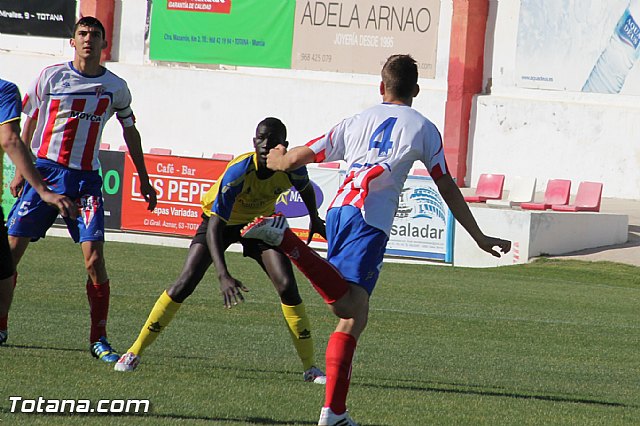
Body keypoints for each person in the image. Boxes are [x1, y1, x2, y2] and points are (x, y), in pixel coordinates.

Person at [241, 54, 512, 425]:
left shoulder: (356, 121)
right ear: (416, 90)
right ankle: (288, 242)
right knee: (348, 307)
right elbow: (445, 183)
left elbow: (295, 159)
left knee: (355, 315)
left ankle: (334, 412)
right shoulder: (423, 128)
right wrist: (477, 235)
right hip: (369, 217)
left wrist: (274, 157)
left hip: (339, 212)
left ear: (381, 87)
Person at [114, 117, 327, 384]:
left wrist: (315, 218)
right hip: (219, 223)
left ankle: (311, 368)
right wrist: (223, 274)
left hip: (257, 225)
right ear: (253, 141)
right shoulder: (240, 170)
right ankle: (133, 352)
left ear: (283, 146)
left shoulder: (291, 168)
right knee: (185, 282)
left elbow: (306, 188)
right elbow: (215, 225)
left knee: (287, 286)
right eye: (259, 138)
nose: (264, 144)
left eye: (271, 141)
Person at [4, 17, 157, 362]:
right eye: (83, 34)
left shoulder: (116, 87)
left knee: (94, 260)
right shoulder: (51, 76)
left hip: (85, 181)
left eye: (95, 35)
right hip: (44, 173)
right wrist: (20, 171)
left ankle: (98, 339)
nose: (89, 39)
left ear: (104, 43)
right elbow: (28, 118)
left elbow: (130, 130)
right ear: (72, 41)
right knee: (11, 253)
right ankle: (1, 324)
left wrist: (144, 178)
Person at [0, 78, 77, 345]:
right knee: (6, 265)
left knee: (6, 264)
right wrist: (42, 189)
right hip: (46, 172)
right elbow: (11, 139)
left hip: (77, 175)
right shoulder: (10, 88)